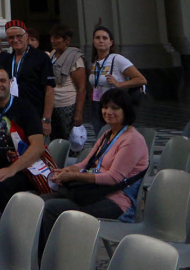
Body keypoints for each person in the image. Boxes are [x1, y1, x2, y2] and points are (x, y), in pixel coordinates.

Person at [38, 88, 149, 253]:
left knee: (52, 208)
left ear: (126, 110)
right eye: (105, 107)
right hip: (95, 192)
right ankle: (41, 255)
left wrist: (75, 176)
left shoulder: (132, 139)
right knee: (40, 202)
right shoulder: (107, 134)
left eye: (115, 108)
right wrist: (68, 170)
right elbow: (86, 163)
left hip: (116, 201)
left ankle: (52, 259)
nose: (108, 112)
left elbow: (113, 178)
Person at [0, 67, 45, 209]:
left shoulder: (25, 107)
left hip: (21, 168)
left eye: (2, 80)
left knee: (1, 187)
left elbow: (38, 145)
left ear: (10, 82)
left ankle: (0, 226)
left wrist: (12, 169)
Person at [89, 25, 147, 134]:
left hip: (114, 105)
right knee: (101, 136)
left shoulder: (117, 59)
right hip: (98, 104)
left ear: (111, 43)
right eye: (97, 38)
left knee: (114, 136)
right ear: (93, 41)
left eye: (104, 38)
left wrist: (120, 84)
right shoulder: (95, 62)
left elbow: (141, 79)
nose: (101, 40)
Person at [4, 20, 55, 136]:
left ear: (26, 36)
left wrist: (46, 119)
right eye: (11, 37)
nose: (15, 40)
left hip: (36, 114)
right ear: (7, 40)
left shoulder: (41, 57)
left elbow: (49, 89)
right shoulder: (6, 60)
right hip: (12, 115)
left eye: (19, 36)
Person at [48, 25, 86, 142]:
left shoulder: (74, 58)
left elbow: (82, 87)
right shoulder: (53, 54)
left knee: (68, 140)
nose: (53, 41)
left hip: (67, 104)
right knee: (55, 140)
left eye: (57, 38)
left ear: (67, 40)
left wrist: (78, 113)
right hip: (53, 105)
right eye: (52, 37)